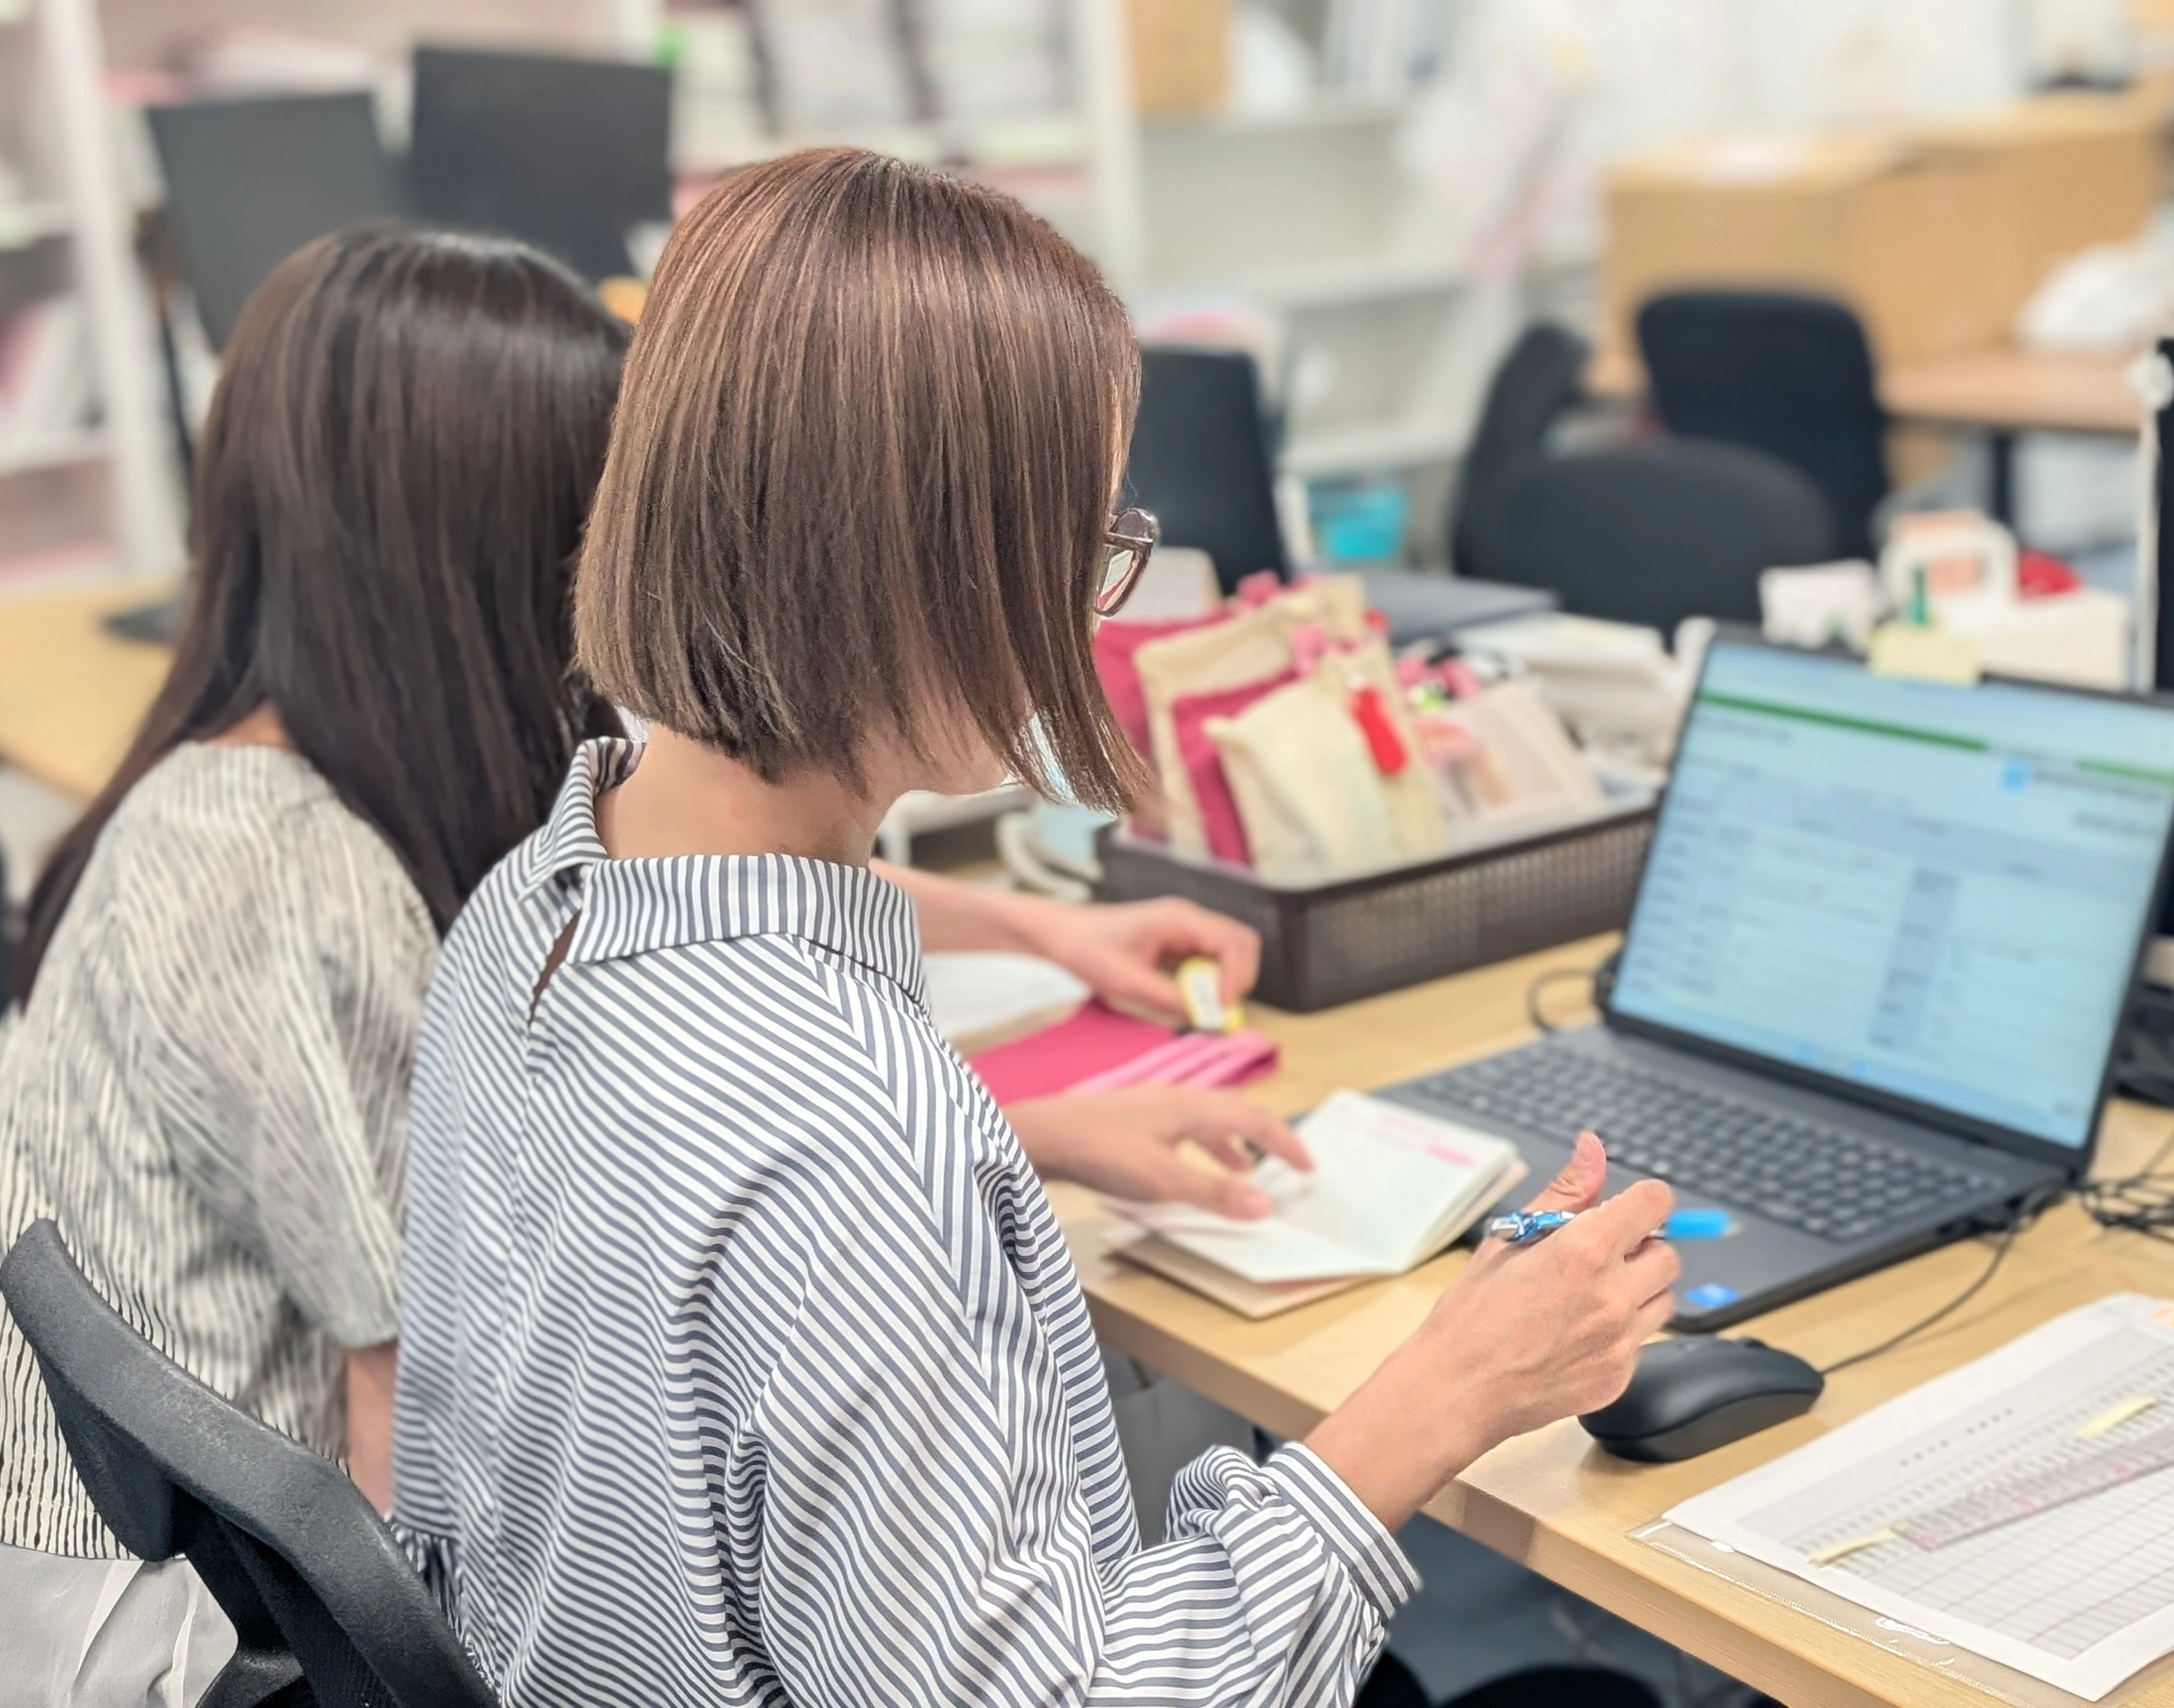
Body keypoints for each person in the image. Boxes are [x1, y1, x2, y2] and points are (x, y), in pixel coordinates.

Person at [0, 224, 1284, 1708]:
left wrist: (1032, 989)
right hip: (92, 1633)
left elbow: (695, 984)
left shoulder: (448, 845)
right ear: (493, 551)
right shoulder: (301, 877)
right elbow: (420, 1386)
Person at [392, 146, 1681, 1706]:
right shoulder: (853, 1132)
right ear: (912, 572)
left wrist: (1037, 1138)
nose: (1088, 613)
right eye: (1076, 555)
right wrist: (1444, 1397)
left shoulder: (531, 905)